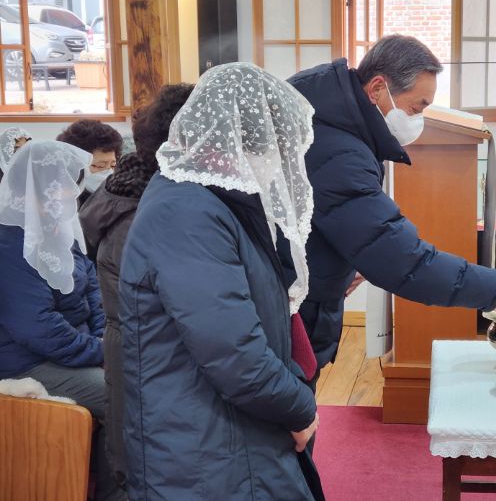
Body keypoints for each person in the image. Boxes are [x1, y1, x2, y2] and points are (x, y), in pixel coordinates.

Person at [118, 63, 322, 500]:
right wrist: (301, 407)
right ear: (233, 140)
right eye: (270, 144)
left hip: (227, 431)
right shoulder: (186, 211)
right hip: (201, 445)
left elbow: (261, 321)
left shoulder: (218, 201)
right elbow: (234, 354)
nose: (277, 160)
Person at [288, 34, 496, 371]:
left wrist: (348, 263)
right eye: (417, 108)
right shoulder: (339, 150)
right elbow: (401, 258)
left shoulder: (334, 119)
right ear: (377, 88)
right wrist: (493, 290)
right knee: (292, 400)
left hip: (303, 293)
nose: (417, 120)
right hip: (289, 306)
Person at [78, 82, 194, 492]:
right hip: (145, 353)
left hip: (138, 347)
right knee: (136, 464)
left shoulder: (132, 191)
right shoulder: (141, 212)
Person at [0, 140, 124, 501]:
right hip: (26, 362)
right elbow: (36, 327)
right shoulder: (9, 244)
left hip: (69, 351)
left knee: (133, 379)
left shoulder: (56, 229)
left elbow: (92, 292)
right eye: (64, 183)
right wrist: (98, 351)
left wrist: (103, 339)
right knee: (123, 395)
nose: (74, 191)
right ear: (38, 187)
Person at [57, 119, 123, 205]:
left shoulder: (117, 198)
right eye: (99, 166)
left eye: (113, 166)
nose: (109, 173)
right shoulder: (60, 200)